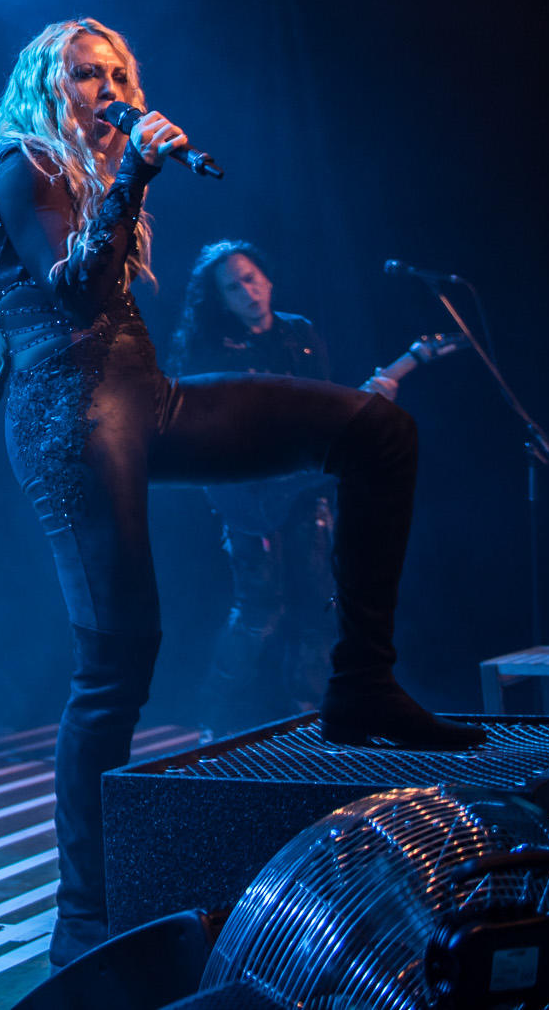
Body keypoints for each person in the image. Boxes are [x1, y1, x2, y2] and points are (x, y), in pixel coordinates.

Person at [0, 17, 479, 968]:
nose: (106, 89)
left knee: (377, 431)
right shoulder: (20, 160)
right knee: (119, 661)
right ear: (48, 85)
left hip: (148, 399)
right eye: (85, 74)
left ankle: (362, 682)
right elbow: (75, 294)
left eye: (117, 74)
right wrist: (135, 172)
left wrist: (123, 177)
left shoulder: (90, 174)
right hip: (70, 418)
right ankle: (83, 919)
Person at [171, 240, 400, 736]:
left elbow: (325, 410)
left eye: (251, 279)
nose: (248, 292)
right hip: (247, 493)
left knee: (317, 606)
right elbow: (200, 429)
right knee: (259, 611)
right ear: (220, 300)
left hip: (307, 488)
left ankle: (309, 717)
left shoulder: (301, 335)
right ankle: (215, 719)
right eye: (233, 287)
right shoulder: (213, 347)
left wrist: (368, 403)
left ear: (268, 278)